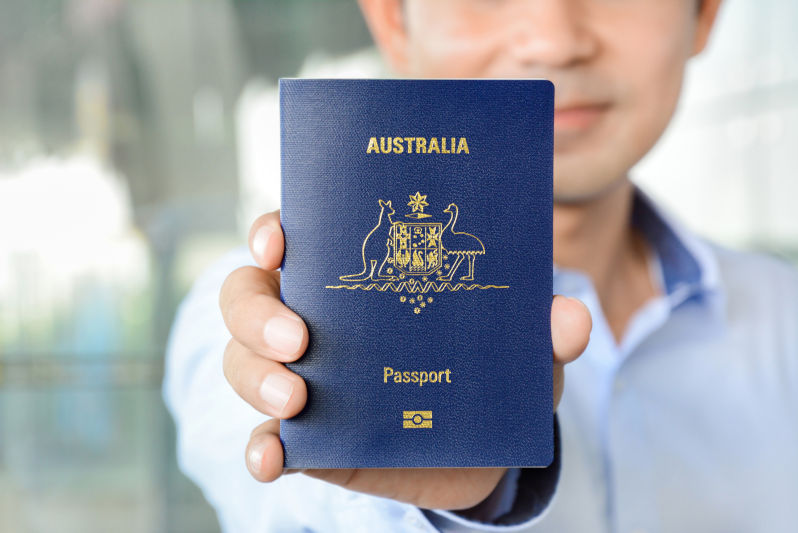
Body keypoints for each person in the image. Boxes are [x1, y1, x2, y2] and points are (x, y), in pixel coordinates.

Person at [164, 0, 798, 531]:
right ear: (392, 21)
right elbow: (284, 488)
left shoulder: (785, 319)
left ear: (705, 12)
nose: (553, 41)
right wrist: (435, 490)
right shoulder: (258, 311)